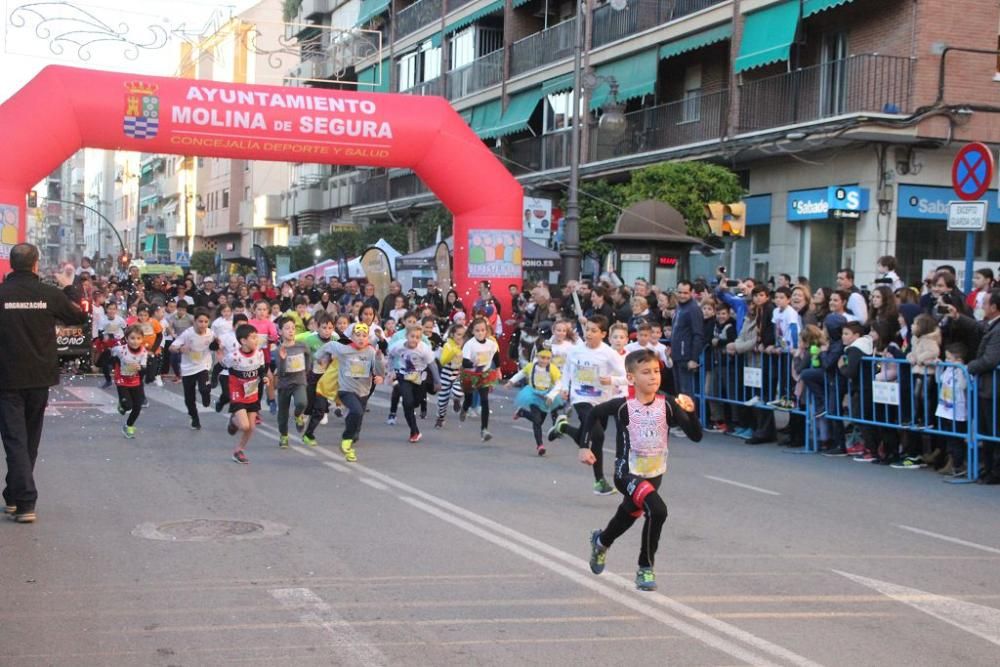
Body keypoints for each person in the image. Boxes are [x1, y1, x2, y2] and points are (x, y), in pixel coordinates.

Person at [583, 349, 702, 591]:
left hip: (654, 474)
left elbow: (696, 436)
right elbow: (594, 413)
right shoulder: (622, 407)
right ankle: (645, 568)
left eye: (656, 371)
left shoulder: (668, 404)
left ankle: (601, 541)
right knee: (658, 511)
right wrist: (585, 447)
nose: (653, 377)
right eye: (646, 372)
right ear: (631, 378)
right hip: (626, 473)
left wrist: (691, 412)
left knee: (628, 515)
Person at [0, 245, 87, 523]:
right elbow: (80, 316)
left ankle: (22, 499)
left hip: (7, 377)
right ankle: (16, 497)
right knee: (29, 438)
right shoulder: (49, 294)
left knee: (15, 439)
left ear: (12, 265)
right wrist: (68, 289)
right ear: (36, 264)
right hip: (39, 376)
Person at [548, 315, 627, 495]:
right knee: (597, 435)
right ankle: (599, 481)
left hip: (602, 400)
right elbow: (567, 370)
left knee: (590, 435)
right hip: (580, 397)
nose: (589, 334)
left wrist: (612, 380)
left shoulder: (610, 354)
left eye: (594, 331)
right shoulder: (576, 350)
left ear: (603, 334)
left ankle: (563, 427)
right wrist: (564, 388)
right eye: (587, 329)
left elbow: (627, 378)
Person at [316, 323, 385, 461]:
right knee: (357, 411)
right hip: (346, 390)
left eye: (364, 336)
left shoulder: (371, 352)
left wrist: (380, 375)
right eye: (357, 335)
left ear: (368, 338)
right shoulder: (343, 349)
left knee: (357, 416)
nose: (361, 338)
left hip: (363, 391)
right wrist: (319, 357)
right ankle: (346, 441)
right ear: (352, 337)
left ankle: (349, 442)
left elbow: (378, 369)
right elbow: (328, 346)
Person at [222, 323, 268, 464]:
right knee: (244, 425)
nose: (257, 340)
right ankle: (234, 420)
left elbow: (261, 369)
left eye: (257, 337)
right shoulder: (234, 356)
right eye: (253, 338)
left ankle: (238, 450)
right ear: (243, 341)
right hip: (237, 392)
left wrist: (264, 377)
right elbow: (222, 366)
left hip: (252, 391)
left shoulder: (259, 353)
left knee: (251, 427)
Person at [388, 324, 441, 443]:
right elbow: (390, 356)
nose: (414, 340)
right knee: (407, 403)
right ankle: (414, 431)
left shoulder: (424, 349)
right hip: (404, 376)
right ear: (407, 336)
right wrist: (391, 371)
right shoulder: (398, 346)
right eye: (412, 336)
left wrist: (437, 381)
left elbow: (432, 365)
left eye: (417, 337)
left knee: (416, 402)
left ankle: (414, 408)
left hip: (420, 378)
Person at [967, 290, 1000, 484]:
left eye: (986, 303)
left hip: (993, 388)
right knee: (986, 432)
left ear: (995, 307)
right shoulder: (990, 326)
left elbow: (990, 359)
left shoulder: (998, 329)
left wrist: (969, 367)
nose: (982, 307)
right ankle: (987, 468)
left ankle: (995, 471)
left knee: (994, 432)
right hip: (985, 387)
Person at [506, 349, 564, 456]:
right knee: (537, 421)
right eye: (542, 358)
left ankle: (522, 413)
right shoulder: (531, 366)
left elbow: (558, 384)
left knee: (540, 421)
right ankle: (540, 445)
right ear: (537, 356)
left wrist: (551, 396)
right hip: (532, 395)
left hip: (546, 396)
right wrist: (511, 381)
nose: (544, 361)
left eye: (547, 358)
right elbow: (521, 373)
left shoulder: (552, 369)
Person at [169, 308, 216, 430]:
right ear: (194, 321)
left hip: (203, 365)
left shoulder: (210, 333)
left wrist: (218, 345)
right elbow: (172, 347)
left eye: (206, 322)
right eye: (200, 321)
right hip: (188, 368)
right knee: (189, 398)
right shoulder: (188, 333)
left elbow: (217, 344)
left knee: (204, 388)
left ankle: (206, 395)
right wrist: (180, 349)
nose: (203, 324)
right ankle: (194, 419)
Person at [460, 316, 501, 441]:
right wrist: (473, 363)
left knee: (484, 400)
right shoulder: (469, 344)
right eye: (477, 330)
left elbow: (496, 356)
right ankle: (465, 409)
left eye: (483, 330)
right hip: (470, 375)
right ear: (472, 331)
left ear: (486, 331)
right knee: (469, 398)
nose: (480, 333)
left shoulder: (491, 344)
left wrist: (498, 370)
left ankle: (484, 429)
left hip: (484, 375)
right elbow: (464, 362)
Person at [111, 324, 149, 439]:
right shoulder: (121, 350)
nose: (135, 341)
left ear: (142, 339)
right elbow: (112, 355)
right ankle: (122, 404)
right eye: (132, 338)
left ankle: (128, 426)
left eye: (138, 338)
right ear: (126, 339)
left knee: (137, 406)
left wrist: (140, 368)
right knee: (128, 406)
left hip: (135, 380)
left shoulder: (143, 352)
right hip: (122, 379)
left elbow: (144, 367)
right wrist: (116, 365)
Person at [436, 323, 466, 428]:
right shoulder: (448, 345)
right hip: (446, 373)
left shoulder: (466, 346)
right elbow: (443, 361)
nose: (460, 337)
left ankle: (456, 400)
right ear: (453, 335)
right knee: (442, 399)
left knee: (458, 391)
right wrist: (453, 352)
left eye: (463, 335)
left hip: (458, 374)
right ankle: (441, 417)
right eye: (458, 334)